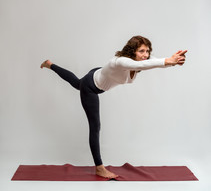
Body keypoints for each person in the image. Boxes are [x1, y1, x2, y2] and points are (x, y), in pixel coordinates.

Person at [40, 35, 187, 179]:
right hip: (91, 86)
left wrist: (172, 61)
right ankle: (99, 168)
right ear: (132, 51)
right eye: (141, 51)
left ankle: (50, 64)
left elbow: (150, 61)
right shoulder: (121, 61)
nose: (146, 55)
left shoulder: (138, 59)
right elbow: (140, 65)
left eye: (147, 51)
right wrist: (168, 61)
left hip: (99, 73)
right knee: (95, 125)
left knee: (77, 83)